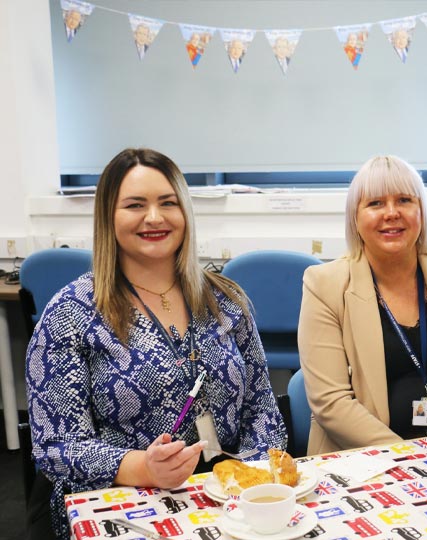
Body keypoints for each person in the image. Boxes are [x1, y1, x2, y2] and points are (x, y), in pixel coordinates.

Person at [26, 148, 288, 539]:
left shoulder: (226, 301)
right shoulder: (70, 313)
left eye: (168, 203)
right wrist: (140, 467)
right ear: (108, 218)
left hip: (224, 499)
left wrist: (251, 477)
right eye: (135, 205)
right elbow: (55, 447)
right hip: (121, 502)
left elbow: (263, 406)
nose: (154, 217)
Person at [298, 155, 427, 455]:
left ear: (421, 212)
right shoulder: (325, 285)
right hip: (369, 463)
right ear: (355, 219)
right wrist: (410, 459)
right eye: (375, 203)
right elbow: (331, 403)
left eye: (404, 200)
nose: (391, 213)